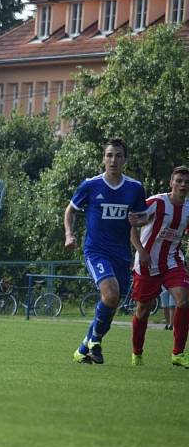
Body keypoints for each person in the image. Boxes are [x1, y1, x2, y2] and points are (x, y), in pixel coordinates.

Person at [65, 138, 148, 364]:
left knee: (110, 305)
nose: (113, 160)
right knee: (110, 295)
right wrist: (69, 234)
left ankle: (84, 348)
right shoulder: (91, 185)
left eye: (118, 156)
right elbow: (70, 210)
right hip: (96, 250)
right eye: (109, 155)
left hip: (121, 254)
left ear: (125, 160)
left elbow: (144, 216)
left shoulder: (134, 188)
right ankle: (95, 343)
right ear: (104, 158)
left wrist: (138, 220)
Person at [129, 165, 189, 368]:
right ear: (171, 182)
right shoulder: (157, 203)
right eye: (179, 181)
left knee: (184, 300)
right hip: (147, 263)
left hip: (173, 261)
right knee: (142, 310)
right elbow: (132, 225)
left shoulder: (188, 209)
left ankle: (178, 354)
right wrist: (141, 251)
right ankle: (137, 352)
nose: (182, 185)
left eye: (186, 182)